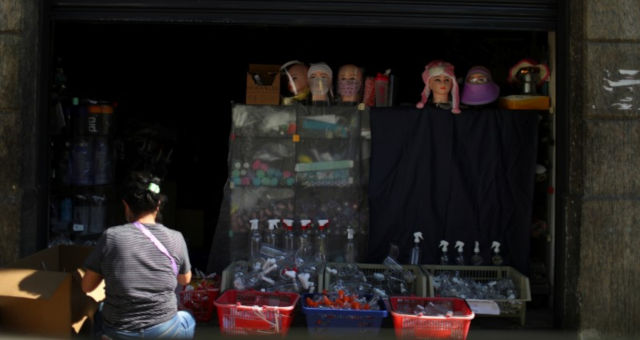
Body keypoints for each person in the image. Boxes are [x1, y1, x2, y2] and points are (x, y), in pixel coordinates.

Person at [81, 171, 195, 339]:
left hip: (119, 331)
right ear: (158, 206)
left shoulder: (111, 237)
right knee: (188, 319)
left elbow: (87, 287)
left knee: (99, 312)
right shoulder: (176, 238)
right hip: (163, 331)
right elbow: (185, 280)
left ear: (126, 205)